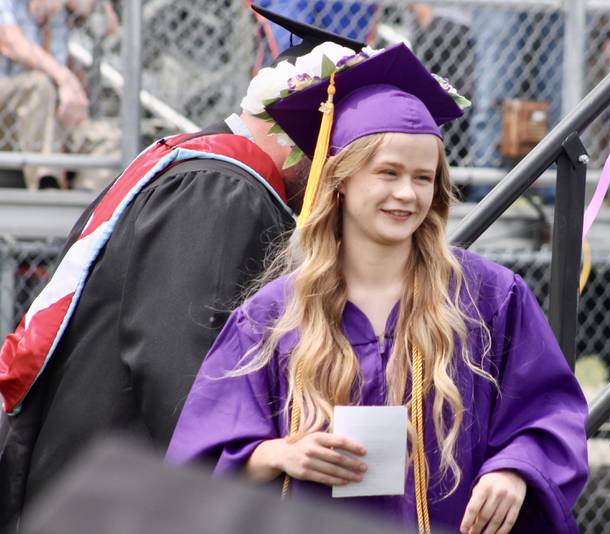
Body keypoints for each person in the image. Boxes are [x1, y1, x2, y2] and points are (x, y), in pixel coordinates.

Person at [166, 42, 588, 534]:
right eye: (387, 173)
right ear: (339, 179)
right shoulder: (273, 316)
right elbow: (197, 459)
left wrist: (516, 471)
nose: (407, 194)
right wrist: (276, 453)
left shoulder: (488, 298)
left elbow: (550, 414)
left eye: (423, 178)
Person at [0, 6, 364, 530]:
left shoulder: (201, 166)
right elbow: (180, 363)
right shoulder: (221, 189)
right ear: (312, 129)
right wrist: (235, 469)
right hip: (116, 495)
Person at [0, 0, 120, 190]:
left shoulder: (61, 7)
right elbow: (10, 42)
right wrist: (65, 80)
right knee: (39, 86)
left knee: (110, 138)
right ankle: (47, 186)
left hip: (54, 114)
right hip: (7, 113)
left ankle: (88, 208)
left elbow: (110, 25)